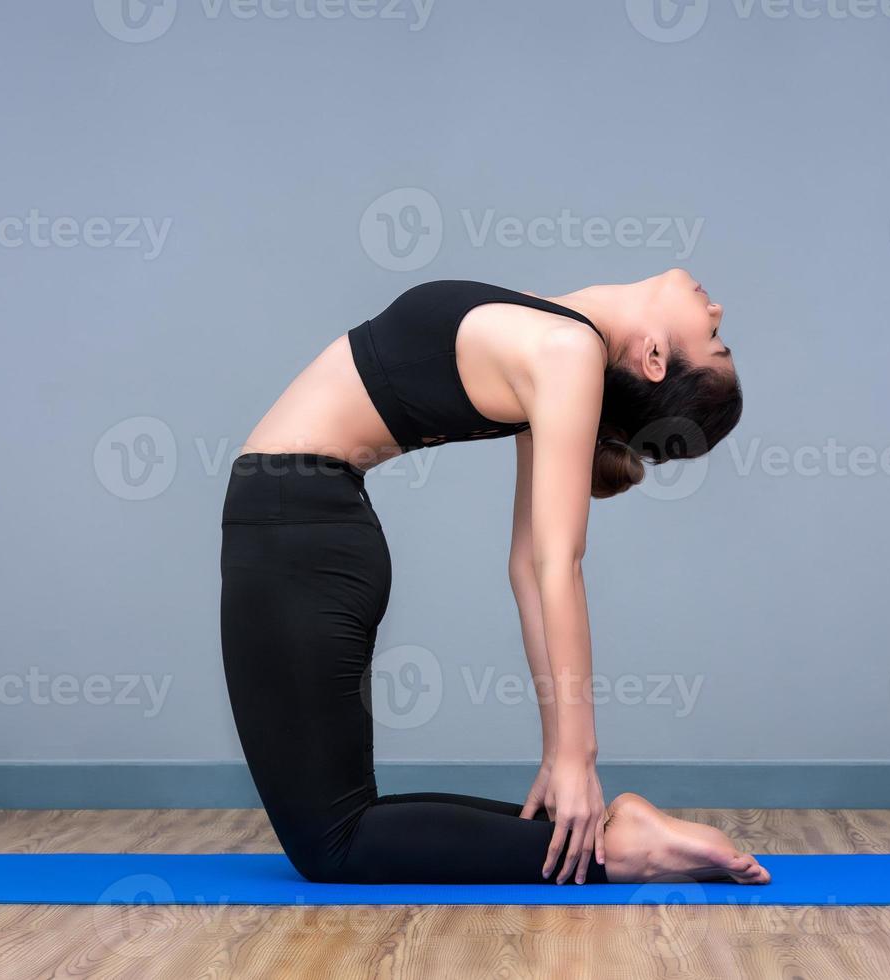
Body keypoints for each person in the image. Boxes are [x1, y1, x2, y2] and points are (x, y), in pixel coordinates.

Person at [221, 270, 770, 885]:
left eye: (715, 336)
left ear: (655, 358)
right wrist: (558, 750)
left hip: (295, 530)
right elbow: (527, 569)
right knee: (338, 828)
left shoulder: (566, 353)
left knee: (333, 843)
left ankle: (619, 855)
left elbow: (552, 565)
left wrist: (576, 754)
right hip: (305, 527)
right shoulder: (563, 343)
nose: (715, 306)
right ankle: (618, 844)